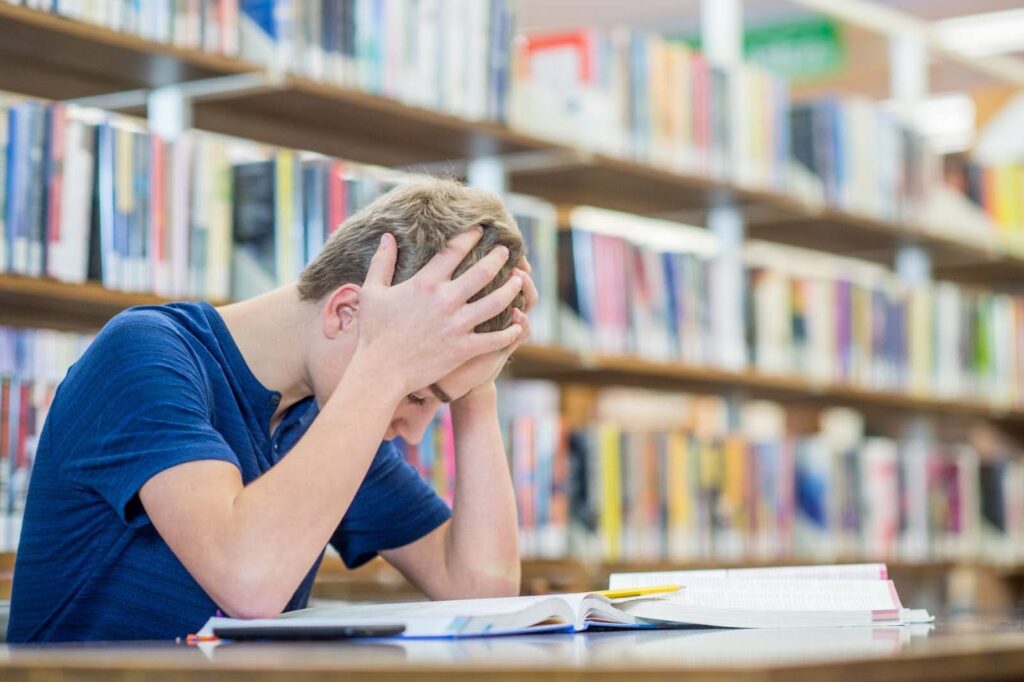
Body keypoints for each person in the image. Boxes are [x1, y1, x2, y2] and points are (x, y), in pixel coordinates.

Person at [7, 177, 537, 642]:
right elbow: (249, 580)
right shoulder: (144, 354)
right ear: (346, 311)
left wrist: (476, 381)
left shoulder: (324, 413)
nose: (415, 432)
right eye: (418, 393)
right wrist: (387, 366)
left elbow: (480, 590)